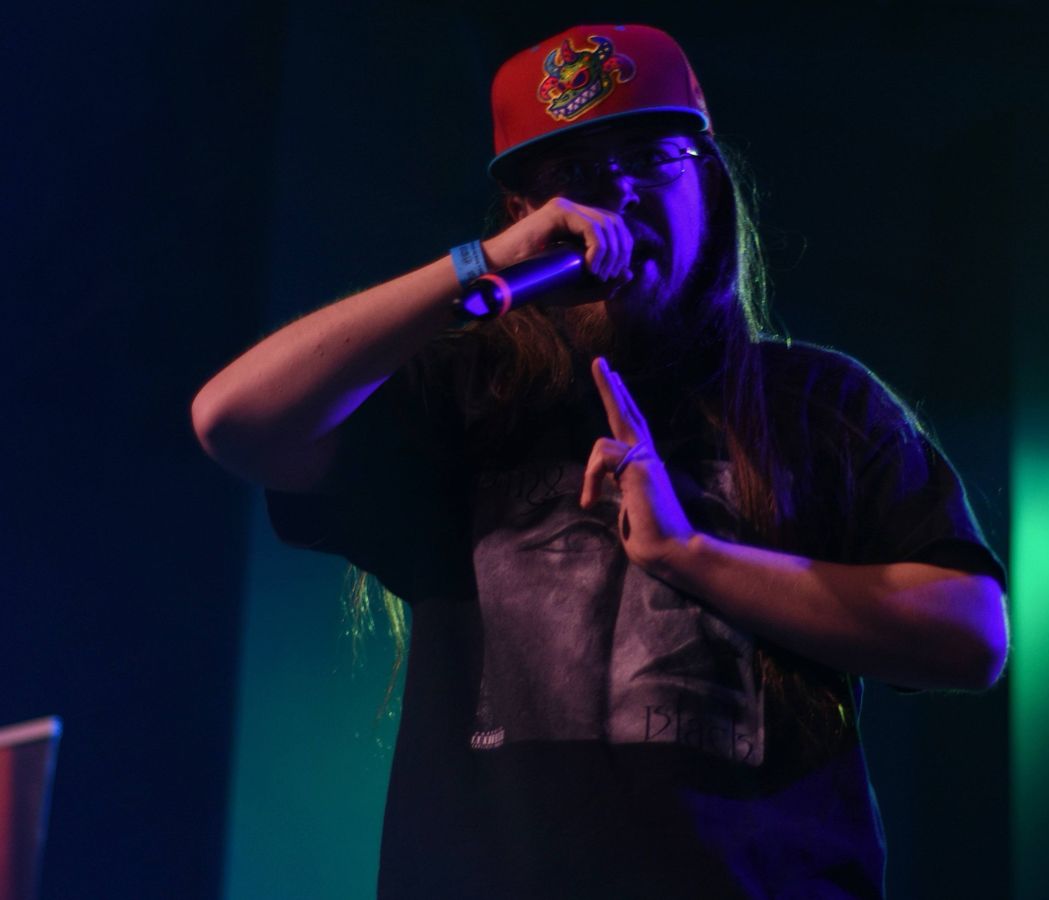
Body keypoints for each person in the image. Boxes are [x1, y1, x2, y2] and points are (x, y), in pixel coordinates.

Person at [192, 23, 1008, 899]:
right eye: (572, 172)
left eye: (647, 159)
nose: (615, 192)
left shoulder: (817, 403)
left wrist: (692, 555)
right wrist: (478, 266)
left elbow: (971, 635)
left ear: (707, 181)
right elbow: (232, 419)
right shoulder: (464, 397)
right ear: (524, 213)